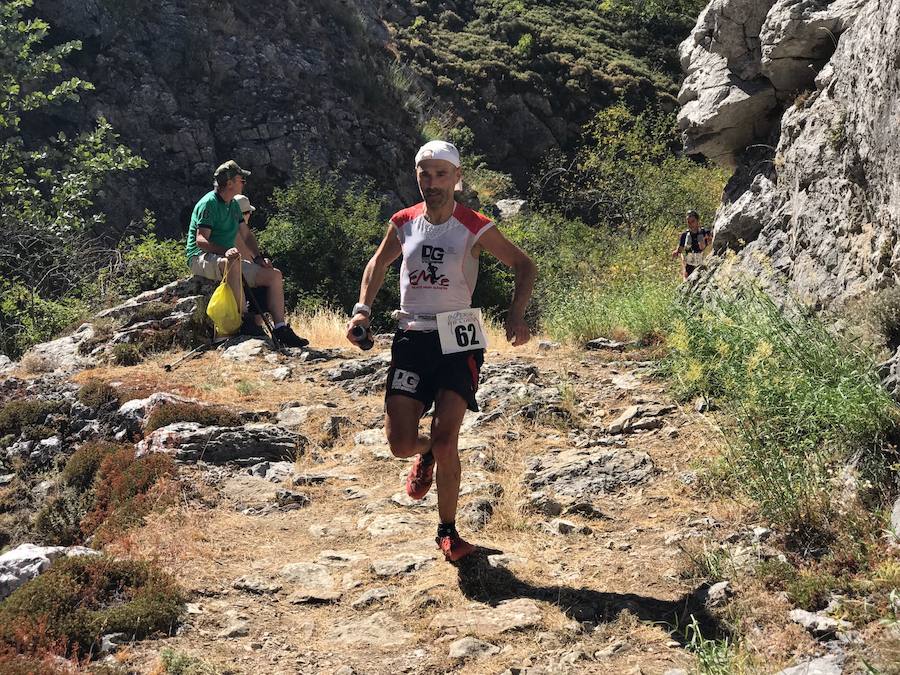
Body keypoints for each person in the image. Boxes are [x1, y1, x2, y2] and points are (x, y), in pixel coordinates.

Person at [346, 140, 536, 562]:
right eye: (424, 174)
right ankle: (424, 451)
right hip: (411, 335)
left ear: (456, 177)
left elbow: (524, 264)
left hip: (459, 336)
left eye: (440, 174)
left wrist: (516, 316)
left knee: (448, 440)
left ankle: (447, 531)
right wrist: (362, 311)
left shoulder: (473, 224)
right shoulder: (403, 221)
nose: (431, 183)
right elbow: (377, 264)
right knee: (399, 443)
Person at [185, 160, 307, 347]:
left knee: (274, 276)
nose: (244, 182)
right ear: (230, 183)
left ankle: (281, 328)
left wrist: (258, 258)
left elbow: (246, 235)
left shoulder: (233, 205)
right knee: (232, 263)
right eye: (241, 179)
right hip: (200, 257)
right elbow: (200, 240)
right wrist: (226, 251)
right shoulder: (208, 203)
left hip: (229, 256)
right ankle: (245, 321)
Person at [671, 209, 712, 280]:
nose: (691, 224)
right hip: (690, 265)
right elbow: (680, 250)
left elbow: (711, 245)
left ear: (697, 221)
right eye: (688, 222)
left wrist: (708, 240)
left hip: (704, 262)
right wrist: (676, 252)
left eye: (693, 221)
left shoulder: (705, 232)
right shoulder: (685, 235)